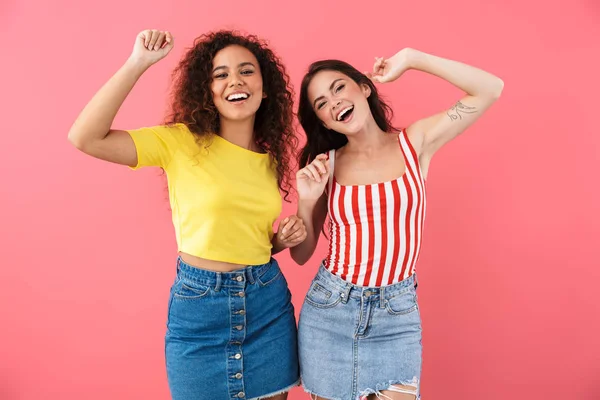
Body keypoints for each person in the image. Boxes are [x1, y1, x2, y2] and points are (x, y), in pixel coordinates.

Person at [68, 29, 305, 400]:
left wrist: (277, 242)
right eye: (220, 74)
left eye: (246, 71)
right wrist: (138, 64)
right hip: (199, 310)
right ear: (206, 89)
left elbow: (242, 239)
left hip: (266, 304)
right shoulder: (178, 141)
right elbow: (86, 137)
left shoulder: (269, 160)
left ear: (265, 87)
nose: (235, 81)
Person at [291, 48, 504, 400]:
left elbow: (489, 89)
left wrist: (412, 59)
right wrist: (307, 198)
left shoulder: (415, 142)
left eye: (339, 88)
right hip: (330, 313)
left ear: (365, 88)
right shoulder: (324, 165)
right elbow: (301, 255)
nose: (334, 103)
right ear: (324, 123)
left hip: (397, 315)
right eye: (321, 104)